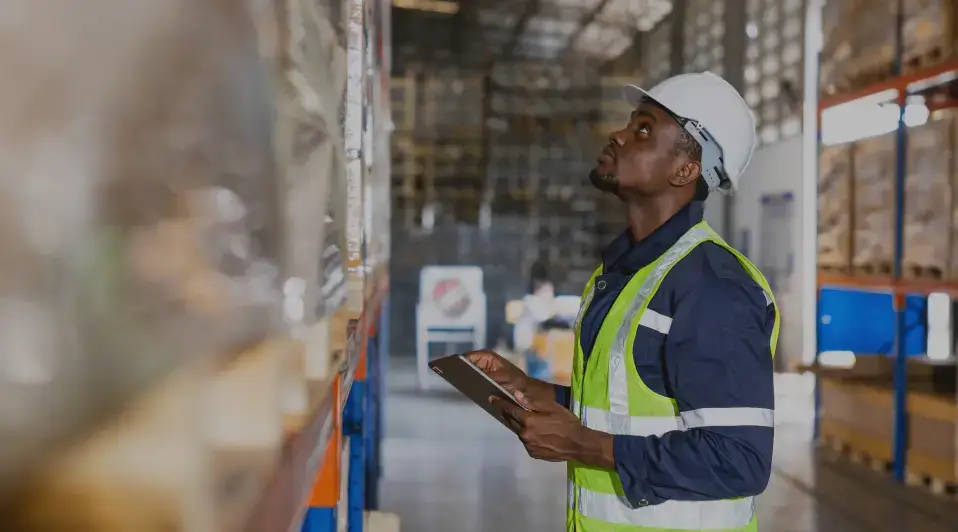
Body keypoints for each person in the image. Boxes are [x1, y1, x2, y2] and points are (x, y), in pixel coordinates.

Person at [468, 71, 778, 532]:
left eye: (645, 130)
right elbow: (632, 410)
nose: (619, 135)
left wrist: (584, 445)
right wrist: (536, 393)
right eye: (631, 123)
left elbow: (738, 459)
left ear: (685, 170)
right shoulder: (623, 274)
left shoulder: (713, 288)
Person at [513, 261, 557, 380]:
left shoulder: (534, 303)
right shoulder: (532, 302)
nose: (551, 295)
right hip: (531, 346)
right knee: (537, 376)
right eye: (549, 291)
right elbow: (545, 319)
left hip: (535, 346)